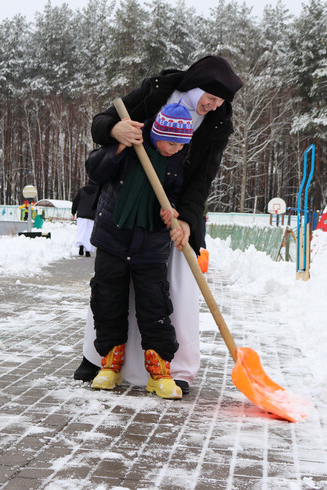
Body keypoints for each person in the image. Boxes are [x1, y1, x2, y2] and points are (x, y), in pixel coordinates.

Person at [73, 55, 243, 394]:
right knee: (109, 290)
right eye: (210, 99)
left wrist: (185, 220)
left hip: (170, 213)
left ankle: (171, 368)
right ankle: (101, 359)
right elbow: (103, 123)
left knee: (166, 293)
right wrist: (112, 129)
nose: (212, 106)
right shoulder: (158, 89)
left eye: (219, 102)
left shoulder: (218, 122)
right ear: (196, 86)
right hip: (120, 210)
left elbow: (202, 179)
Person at [71, 183, 97, 257]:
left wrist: (73, 211)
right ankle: (87, 251)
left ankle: (81, 247)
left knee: (81, 232)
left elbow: (76, 201)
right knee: (89, 233)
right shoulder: (98, 192)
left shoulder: (82, 190)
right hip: (92, 216)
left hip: (81, 215)